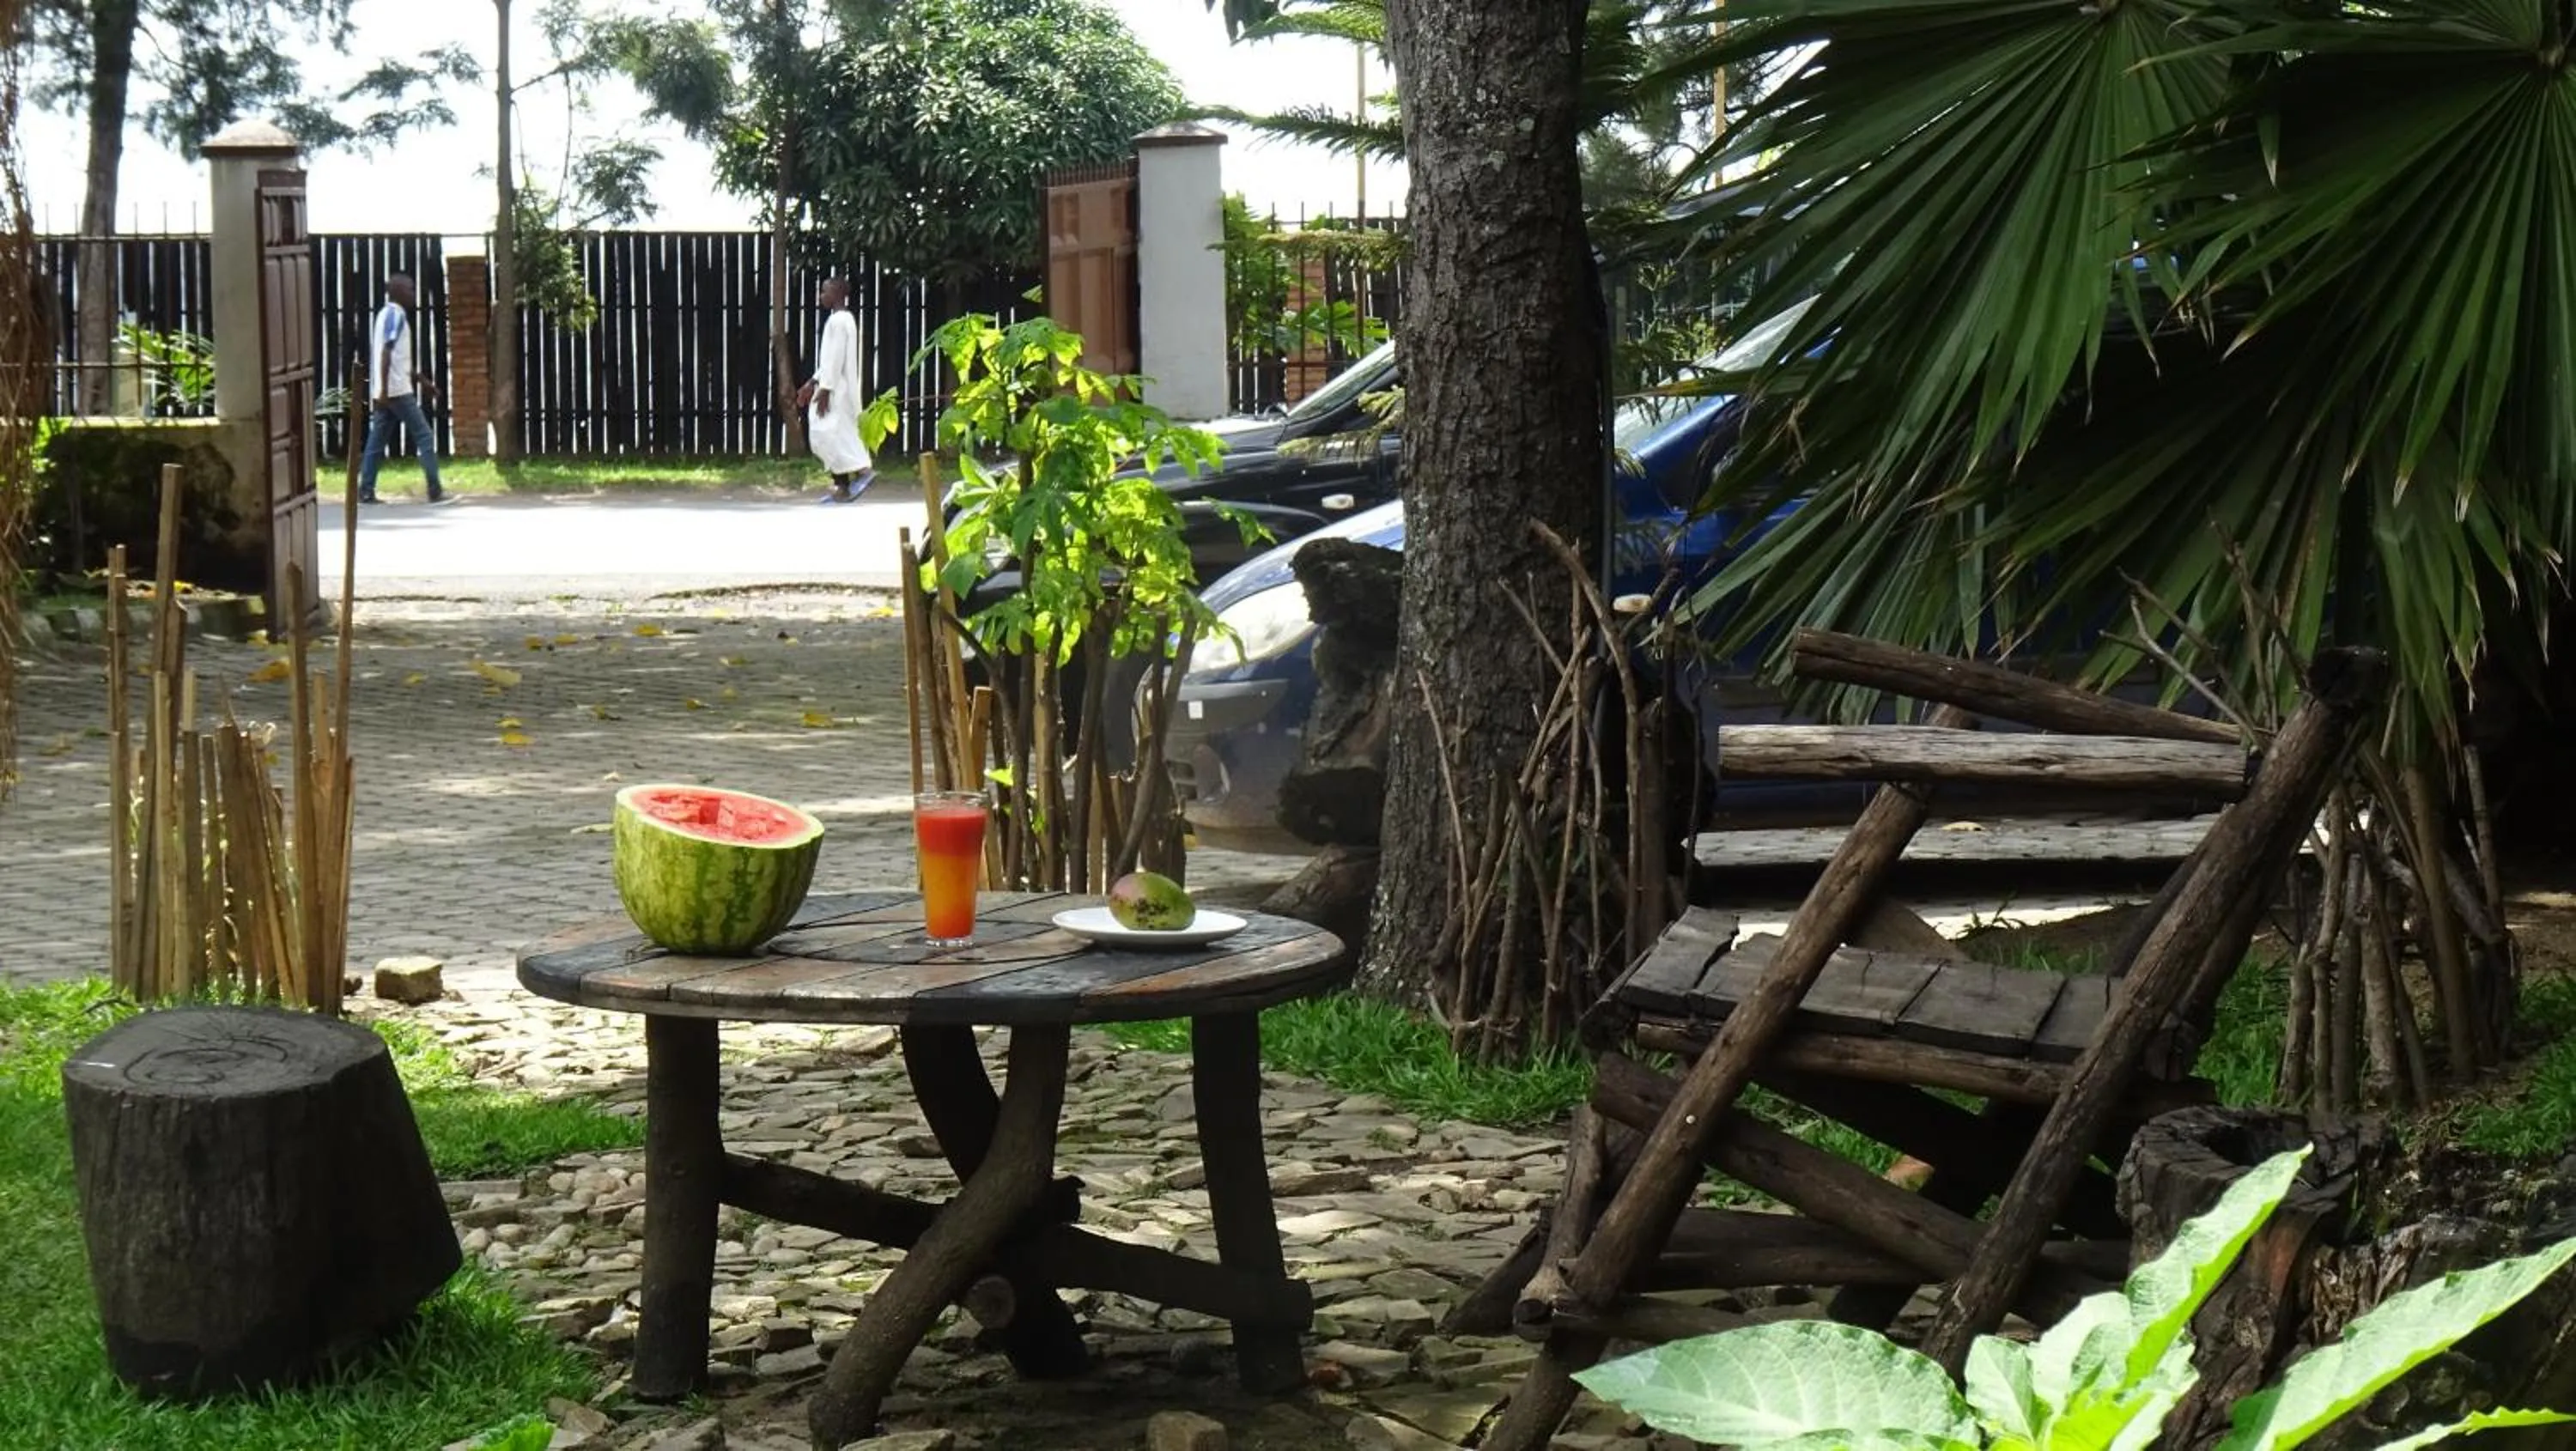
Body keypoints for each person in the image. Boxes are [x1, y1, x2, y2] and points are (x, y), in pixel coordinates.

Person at [358, 273, 451, 507]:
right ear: (397, 291)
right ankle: (434, 490)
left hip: (388, 390)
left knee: (376, 441)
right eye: (409, 289)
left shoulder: (385, 315)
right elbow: (386, 353)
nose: (413, 293)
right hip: (396, 392)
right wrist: (385, 391)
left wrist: (422, 381)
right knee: (425, 435)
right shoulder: (394, 316)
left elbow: (399, 361)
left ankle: (366, 491)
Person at [796, 276, 874, 503]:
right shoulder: (840, 319)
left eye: (825, 292)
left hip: (836, 390)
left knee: (827, 434)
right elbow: (829, 359)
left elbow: (836, 357)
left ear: (837, 295)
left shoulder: (839, 321)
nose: (822, 296)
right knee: (833, 434)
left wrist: (826, 390)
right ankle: (843, 484)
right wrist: (812, 383)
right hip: (833, 386)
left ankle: (858, 473)